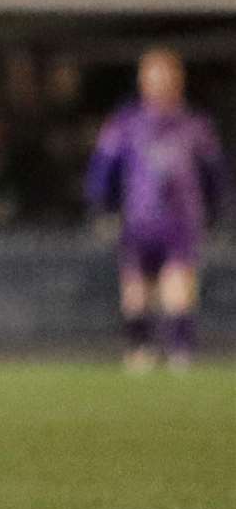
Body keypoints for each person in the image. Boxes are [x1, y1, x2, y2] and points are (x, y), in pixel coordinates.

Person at [85, 48, 228, 371]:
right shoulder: (126, 124)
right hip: (139, 221)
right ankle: (140, 351)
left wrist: (219, 210)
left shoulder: (195, 125)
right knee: (136, 293)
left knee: (178, 290)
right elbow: (103, 169)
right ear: (142, 81)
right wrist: (101, 206)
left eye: (167, 76)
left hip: (182, 221)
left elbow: (214, 172)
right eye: (154, 76)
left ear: (179, 80)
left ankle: (181, 353)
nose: (161, 83)